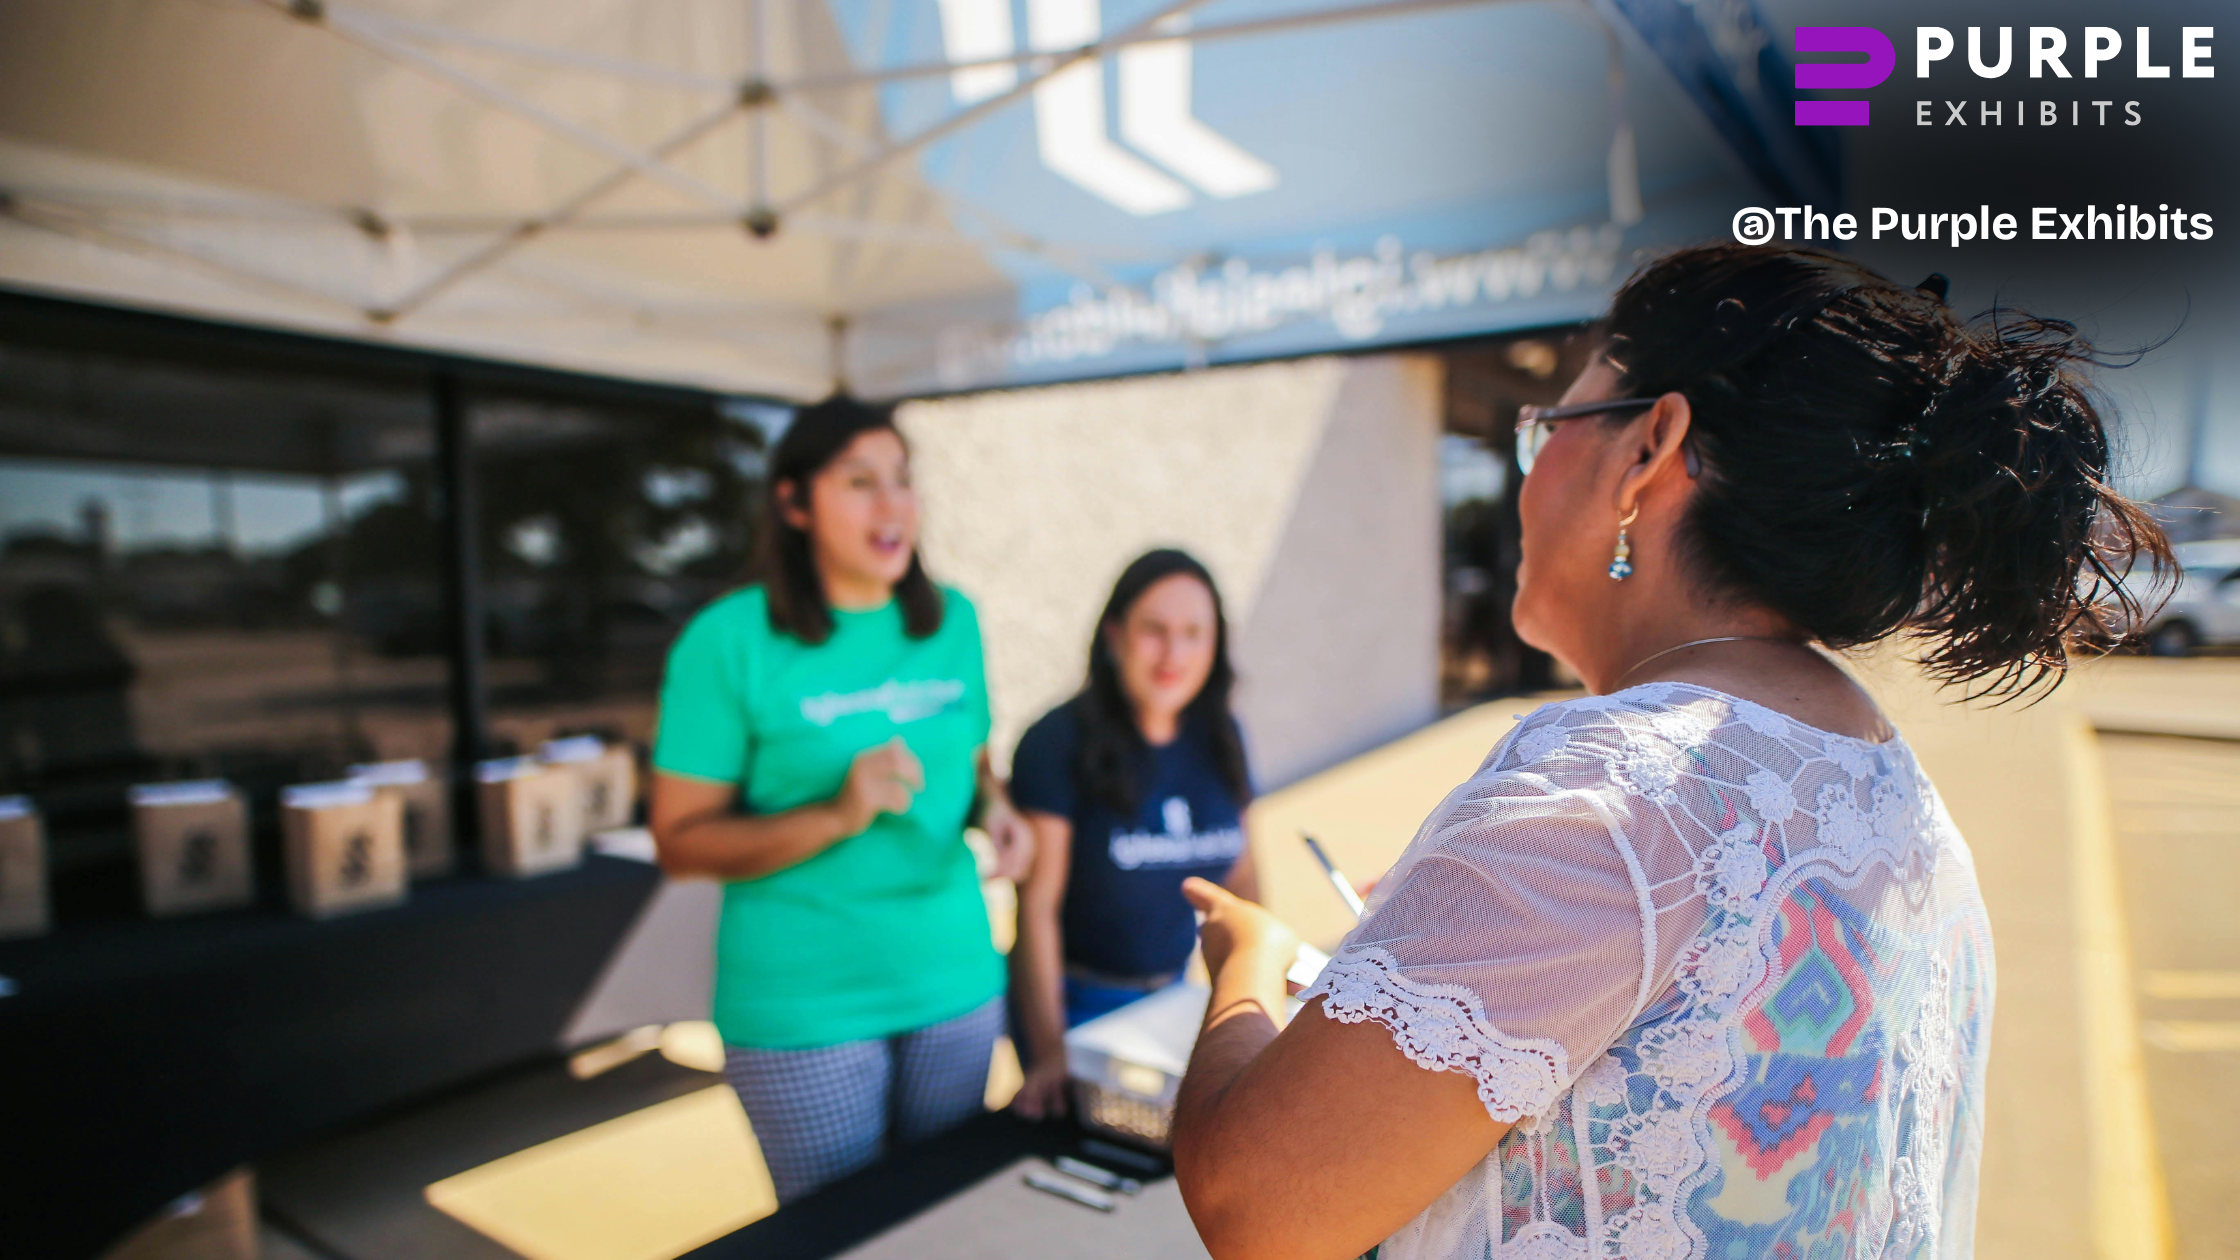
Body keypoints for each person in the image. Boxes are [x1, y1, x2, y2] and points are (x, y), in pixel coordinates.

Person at [1169, 244, 2171, 1260]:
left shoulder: (1605, 788)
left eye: (1542, 430)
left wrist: (1246, 966)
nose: (1524, 478)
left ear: (1647, 447)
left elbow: (1259, 1206)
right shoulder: (1887, 789)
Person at [648, 395, 1034, 1204]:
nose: (893, 504)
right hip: (804, 1006)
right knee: (844, 1233)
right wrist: (837, 814)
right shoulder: (727, 642)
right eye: (860, 482)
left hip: (954, 979)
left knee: (943, 1224)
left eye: (903, 479)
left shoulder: (952, 620)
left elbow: (972, 764)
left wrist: (995, 811)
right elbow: (681, 842)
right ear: (793, 502)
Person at [1005, 549, 1258, 1119]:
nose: (1174, 653)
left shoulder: (1222, 736)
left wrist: (1253, 1009)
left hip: (1177, 998)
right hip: (1077, 1005)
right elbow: (1036, 911)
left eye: (1194, 633)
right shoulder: (1056, 742)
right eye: (1155, 630)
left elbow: (1246, 884)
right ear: (1115, 634)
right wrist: (1050, 1056)